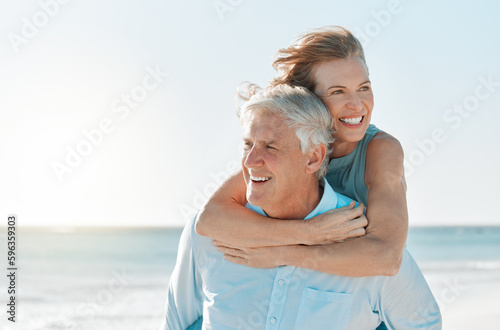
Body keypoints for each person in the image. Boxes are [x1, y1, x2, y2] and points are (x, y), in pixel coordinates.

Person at [161, 84, 441, 329]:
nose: (250, 161)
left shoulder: (367, 245)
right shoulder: (206, 237)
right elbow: (177, 325)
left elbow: (424, 324)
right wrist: (306, 233)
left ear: (313, 158)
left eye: (271, 147)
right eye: (248, 145)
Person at [195, 26, 407, 278]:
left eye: (363, 87)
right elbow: (210, 220)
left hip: (365, 293)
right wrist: (308, 232)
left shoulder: (381, 149)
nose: (357, 104)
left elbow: (387, 258)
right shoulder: (286, 146)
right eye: (337, 91)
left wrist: (283, 254)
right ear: (308, 99)